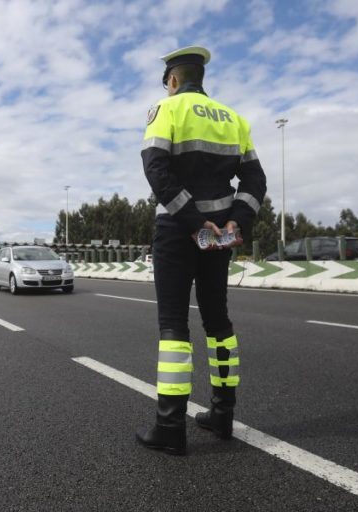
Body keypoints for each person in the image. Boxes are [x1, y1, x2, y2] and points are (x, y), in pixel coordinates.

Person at [136, 46, 267, 455]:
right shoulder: (235, 120)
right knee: (218, 322)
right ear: (201, 77)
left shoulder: (168, 109)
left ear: (173, 80)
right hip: (221, 236)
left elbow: (155, 168)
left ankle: (170, 427)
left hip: (179, 230)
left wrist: (192, 221)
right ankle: (223, 416)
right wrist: (237, 222)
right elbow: (255, 179)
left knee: (174, 325)